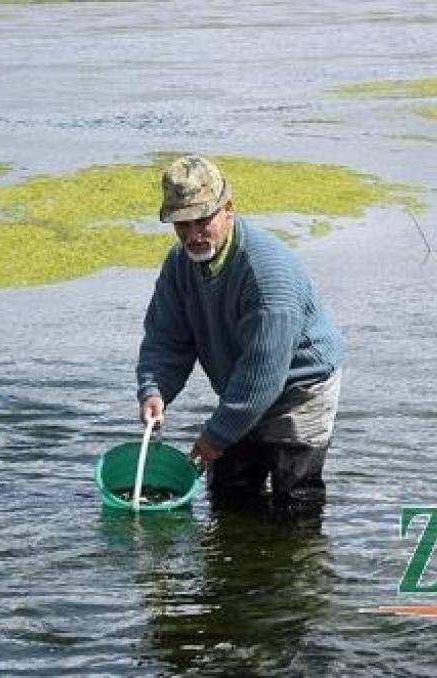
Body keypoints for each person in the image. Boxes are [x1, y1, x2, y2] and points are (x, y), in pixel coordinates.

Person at [137, 155, 343, 506]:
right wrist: (155, 390)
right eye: (181, 225)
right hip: (240, 382)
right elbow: (167, 338)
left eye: (202, 220)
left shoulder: (268, 277)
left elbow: (263, 374)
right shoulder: (179, 264)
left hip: (299, 387)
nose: (192, 235)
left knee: (294, 503)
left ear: (228, 210)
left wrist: (215, 436)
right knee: (228, 492)